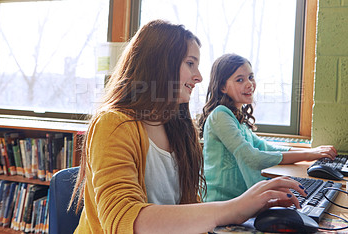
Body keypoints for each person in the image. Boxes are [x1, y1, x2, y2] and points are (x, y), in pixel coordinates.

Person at [70, 20, 308, 233]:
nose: (199, 77)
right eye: (190, 63)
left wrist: (251, 209)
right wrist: (234, 208)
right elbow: (123, 220)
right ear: (159, 64)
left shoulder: (179, 127)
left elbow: (187, 207)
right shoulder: (114, 124)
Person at [198, 53, 337, 202]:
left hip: (240, 200)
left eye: (251, 77)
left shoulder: (237, 117)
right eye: (240, 80)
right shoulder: (220, 115)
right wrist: (309, 155)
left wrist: (310, 153)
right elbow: (252, 157)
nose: (249, 84)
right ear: (223, 87)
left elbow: (265, 147)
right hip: (222, 203)